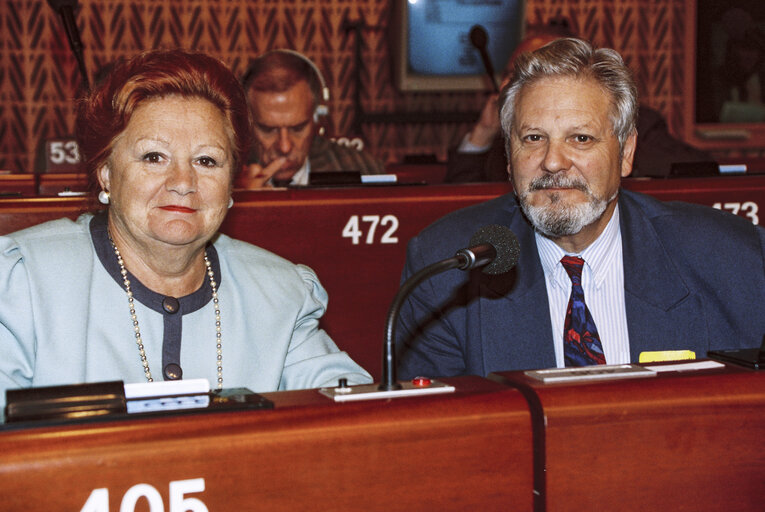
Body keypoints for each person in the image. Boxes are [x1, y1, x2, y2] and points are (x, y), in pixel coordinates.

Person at [0, 49, 371, 415]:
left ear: (231, 185)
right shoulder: (22, 285)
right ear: (106, 172)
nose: (183, 182)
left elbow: (357, 419)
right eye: (154, 157)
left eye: (206, 160)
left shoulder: (281, 294)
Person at [396, 38, 765, 379]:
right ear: (509, 157)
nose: (553, 162)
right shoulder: (446, 273)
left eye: (581, 138)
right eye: (534, 138)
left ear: (627, 153)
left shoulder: (734, 261)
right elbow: (440, 439)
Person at [446, 23, 714, 182]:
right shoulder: (508, 138)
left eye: (582, 138)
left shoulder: (628, 124)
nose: (552, 162)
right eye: (511, 76)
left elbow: (701, 176)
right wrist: (482, 133)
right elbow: (460, 204)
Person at [238, 50, 385, 188]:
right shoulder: (226, 179)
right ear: (246, 125)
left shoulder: (363, 169)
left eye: (298, 129)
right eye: (268, 130)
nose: (284, 147)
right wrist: (243, 203)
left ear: (316, 118)